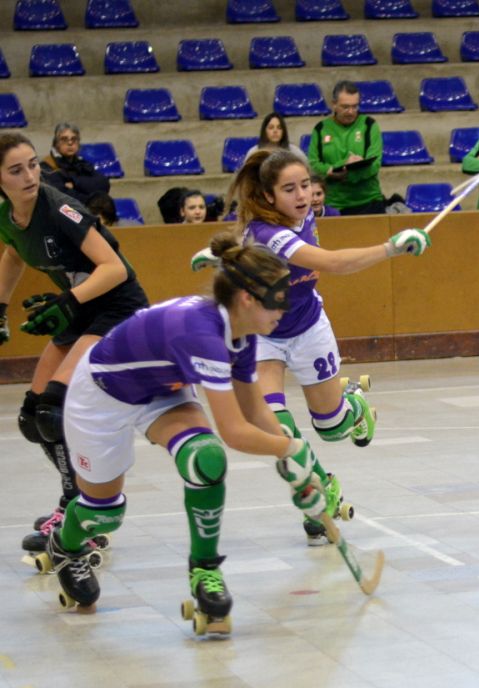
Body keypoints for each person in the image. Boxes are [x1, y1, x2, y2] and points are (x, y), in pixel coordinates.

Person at [44, 232, 329, 626]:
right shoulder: (200, 333)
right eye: (278, 301)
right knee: (103, 515)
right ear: (247, 299)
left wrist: (304, 466)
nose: (286, 309)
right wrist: (287, 452)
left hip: (163, 391)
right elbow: (233, 430)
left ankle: (205, 570)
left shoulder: (242, 335)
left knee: (206, 458)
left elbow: (255, 412)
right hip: (103, 394)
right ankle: (65, 546)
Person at [200, 148, 430, 544]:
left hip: (308, 330)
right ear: (269, 196)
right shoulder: (270, 233)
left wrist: (223, 253)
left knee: (333, 428)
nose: (302, 195)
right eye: (289, 189)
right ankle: (322, 486)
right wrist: (391, 248)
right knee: (275, 422)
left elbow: (250, 220)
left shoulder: (298, 213)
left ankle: (353, 404)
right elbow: (334, 263)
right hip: (267, 334)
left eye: (305, 184)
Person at [0, 132, 150, 553]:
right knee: (34, 418)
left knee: (54, 409)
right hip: (79, 310)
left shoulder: (60, 208)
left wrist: (67, 300)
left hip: (116, 307)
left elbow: (115, 269)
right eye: (16, 170)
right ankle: (75, 505)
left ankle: (82, 513)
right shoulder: (7, 216)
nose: (30, 175)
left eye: (33, 164)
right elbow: (13, 253)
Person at [307, 80, 385, 216]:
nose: (351, 112)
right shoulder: (321, 129)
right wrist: (333, 170)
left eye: (355, 106)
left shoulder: (369, 125)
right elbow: (314, 163)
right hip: (334, 204)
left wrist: (347, 176)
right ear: (334, 104)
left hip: (369, 201)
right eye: (345, 107)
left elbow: (375, 164)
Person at [39, 123, 112, 205]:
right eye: (64, 139)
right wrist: (91, 196)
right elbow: (64, 197)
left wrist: (75, 183)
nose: (70, 143)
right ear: (56, 144)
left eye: (74, 139)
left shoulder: (82, 163)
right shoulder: (46, 168)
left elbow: (104, 184)